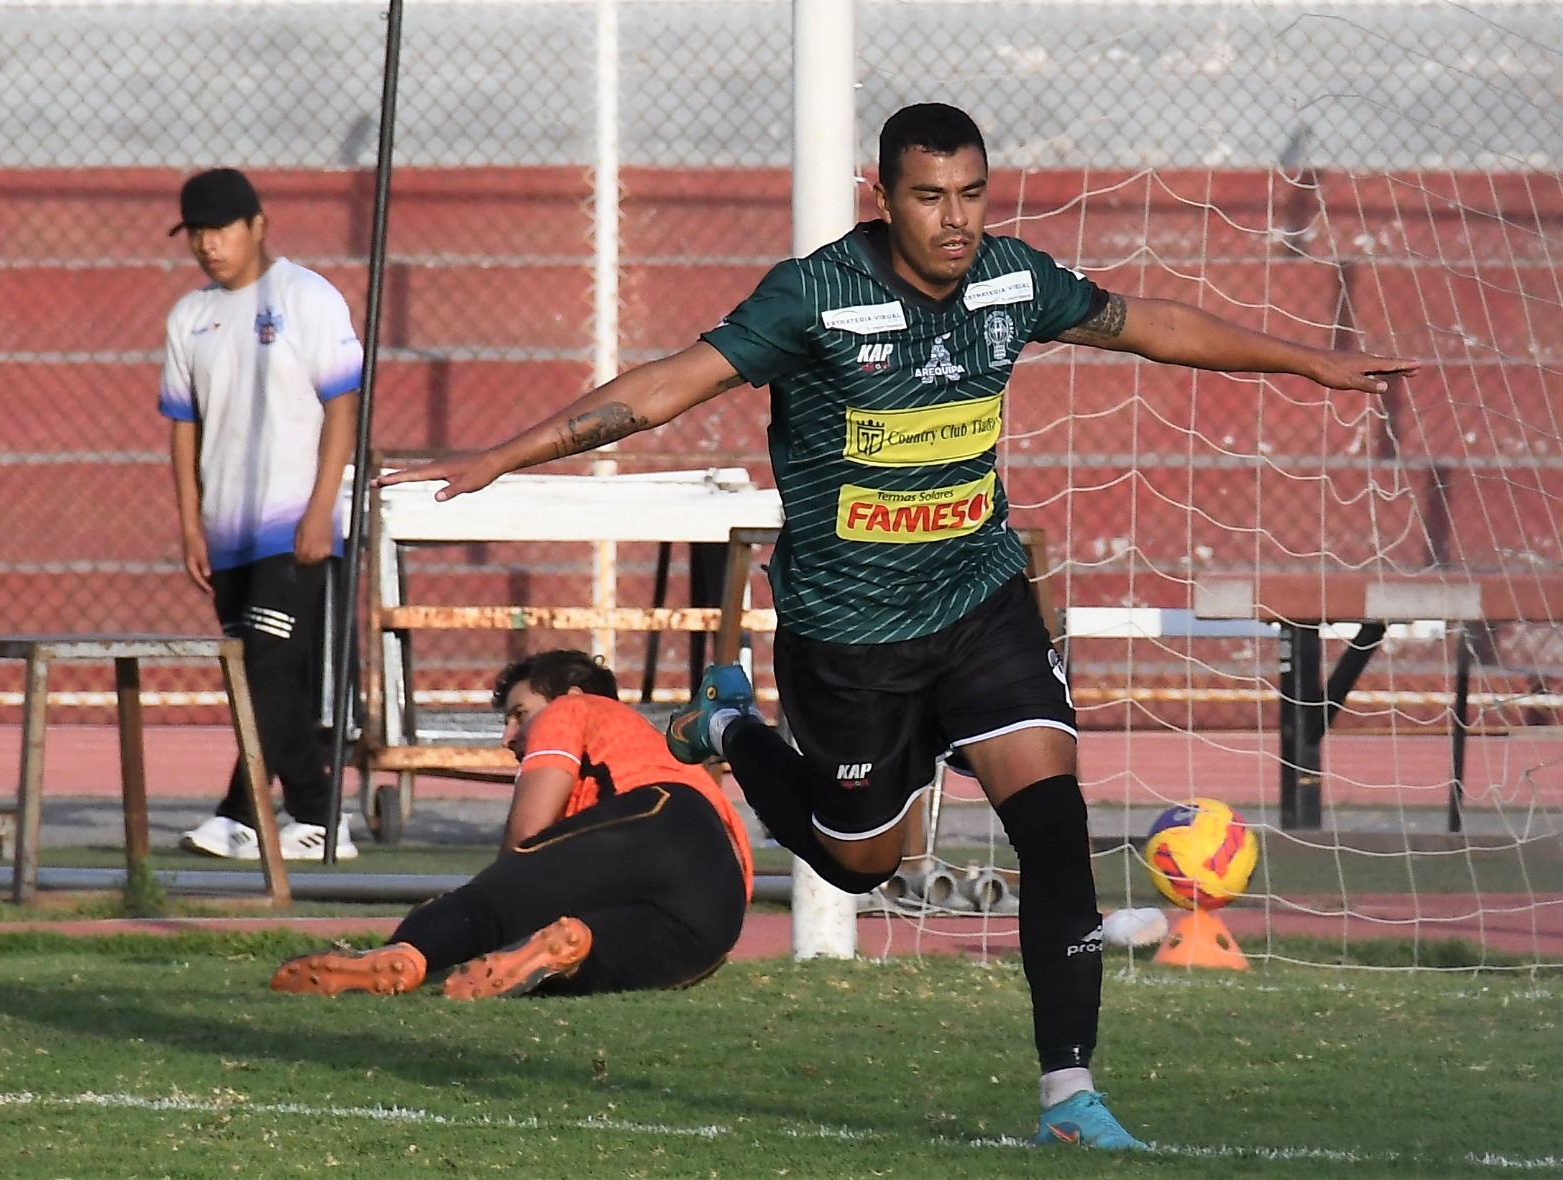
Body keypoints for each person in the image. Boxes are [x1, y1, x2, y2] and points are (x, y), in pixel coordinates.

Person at [375, 104, 1417, 1146]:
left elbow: (1147, 324)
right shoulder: (814, 295)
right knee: (862, 864)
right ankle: (731, 728)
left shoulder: (1013, 280)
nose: (954, 219)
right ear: (881, 197)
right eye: (928, 196)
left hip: (978, 602)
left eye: (970, 193)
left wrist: (1304, 362)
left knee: (1053, 829)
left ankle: (1069, 1099)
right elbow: (662, 391)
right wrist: (505, 453)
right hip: (849, 642)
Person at [270, 649, 754, 999]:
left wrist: (479, 911)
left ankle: (407, 952)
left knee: (490, 907)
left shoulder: (574, 708)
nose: (510, 737)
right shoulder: (655, 752)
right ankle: (573, 949)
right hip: (719, 905)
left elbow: (524, 846)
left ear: (571, 694)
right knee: (586, 952)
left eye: (519, 715)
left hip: (658, 817)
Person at [160, 167, 364, 861]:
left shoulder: (307, 298)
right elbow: (183, 427)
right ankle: (318, 816)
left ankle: (240, 812)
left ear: (258, 225)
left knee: (270, 666)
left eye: (221, 229)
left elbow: (343, 409)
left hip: (295, 521)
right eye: (197, 233)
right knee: (257, 669)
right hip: (227, 528)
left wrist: (321, 509)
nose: (209, 245)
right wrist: (191, 524)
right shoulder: (190, 316)